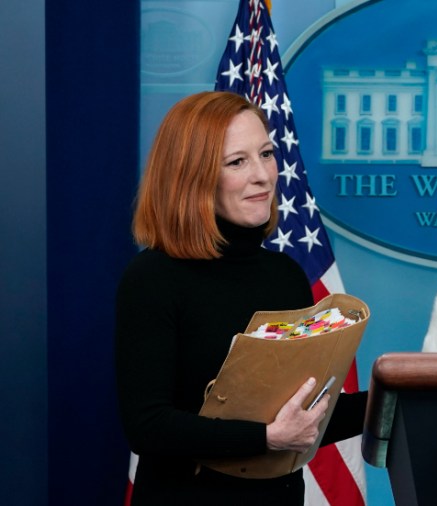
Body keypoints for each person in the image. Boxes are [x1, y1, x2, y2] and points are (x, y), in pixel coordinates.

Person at [115, 91, 367, 505]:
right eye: (237, 162)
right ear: (190, 176)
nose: (264, 176)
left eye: (266, 154)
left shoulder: (284, 275)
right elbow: (147, 425)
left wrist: (404, 389)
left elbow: (302, 417)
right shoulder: (152, 279)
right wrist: (267, 438)